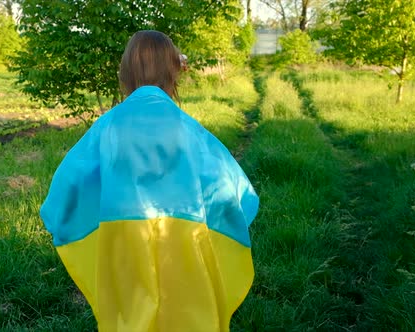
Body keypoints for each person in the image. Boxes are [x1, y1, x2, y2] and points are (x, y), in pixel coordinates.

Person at [40, 30, 259, 332]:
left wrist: (61, 218)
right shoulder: (189, 129)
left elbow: (70, 183)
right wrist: (231, 218)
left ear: (127, 72)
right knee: (187, 311)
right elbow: (233, 189)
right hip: (184, 238)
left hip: (123, 240)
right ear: (173, 72)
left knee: (130, 312)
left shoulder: (107, 127)